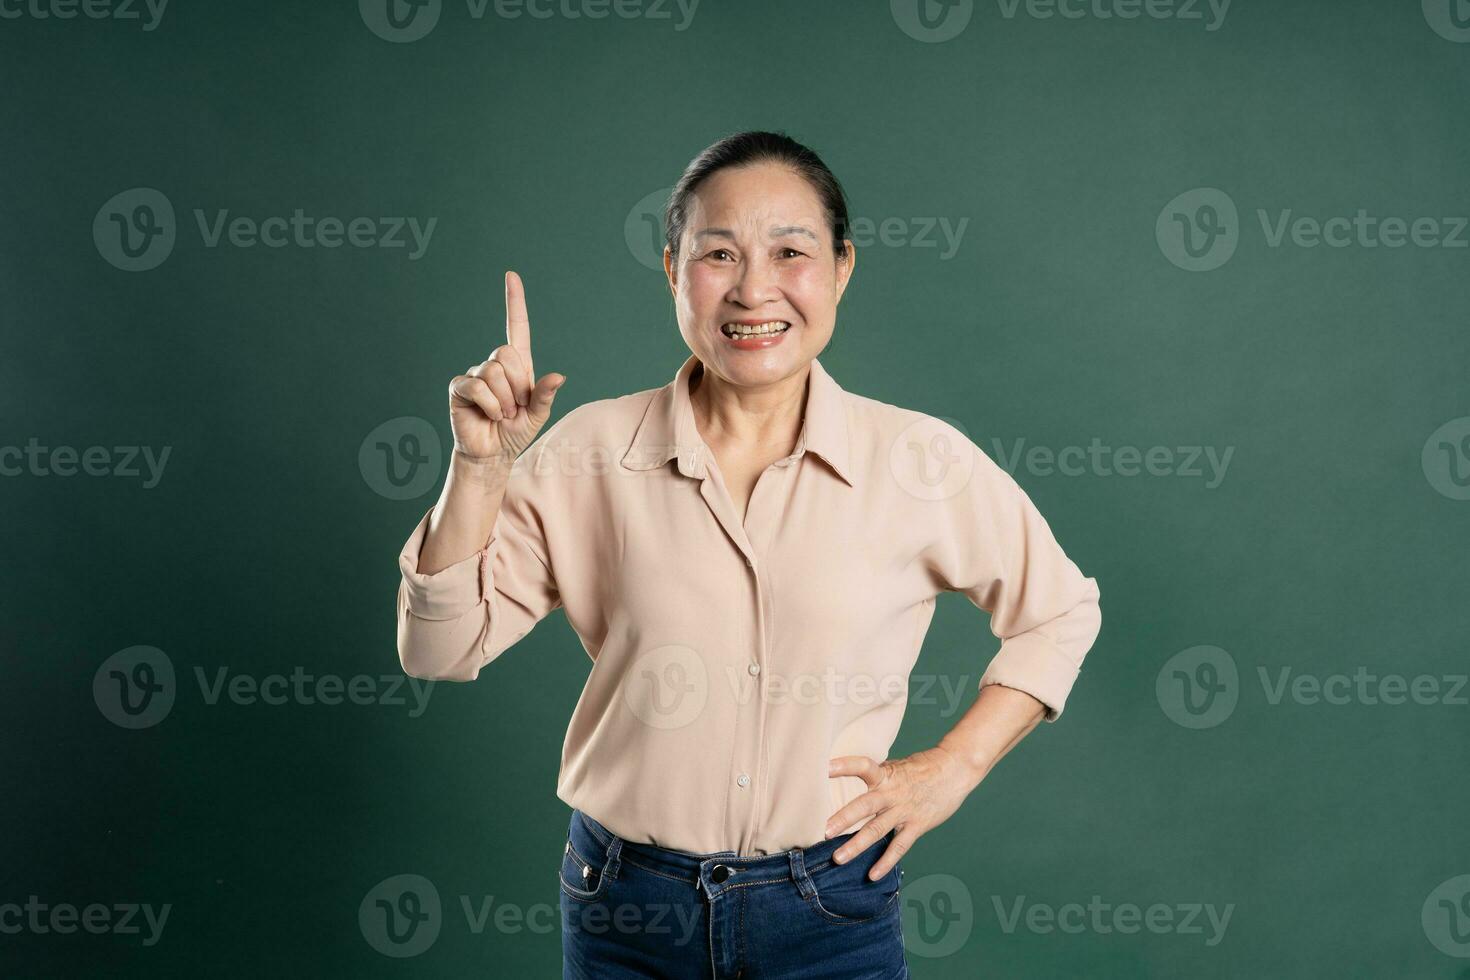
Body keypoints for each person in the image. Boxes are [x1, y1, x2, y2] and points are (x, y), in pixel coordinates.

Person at [395, 130, 1103, 979]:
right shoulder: (587, 451)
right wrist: (479, 468)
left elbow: (1059, 611)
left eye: (791, 251)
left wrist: (954, 767)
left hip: (831, 903)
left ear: (843, 268)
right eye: (719, 253)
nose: (754, 288)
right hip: (627, 905)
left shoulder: (920, 459)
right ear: (672, 270)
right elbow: (437, 650)